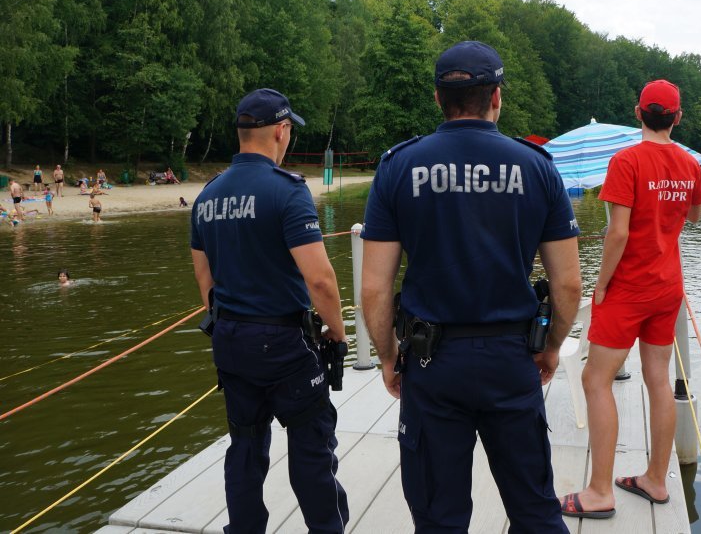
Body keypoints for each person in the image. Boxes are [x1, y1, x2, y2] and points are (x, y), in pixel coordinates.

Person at [361, 40, 582, 533]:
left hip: (430, 363)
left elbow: (374, 291)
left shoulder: (399, 166)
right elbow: (568, 284)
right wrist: (550, 349)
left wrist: (387, 356)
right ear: (496, 97)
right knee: (535, 512)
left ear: (438, 99)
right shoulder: (537, 167)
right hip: (510, 361)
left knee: (440, 519)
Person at [190, 87, 349, 532]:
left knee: (244, 446)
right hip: (283, 344)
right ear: (281, 131)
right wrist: (337, 333)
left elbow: (206, 283)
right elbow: (320, 280)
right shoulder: (287, 192)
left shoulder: (207, 196)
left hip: (230, 340)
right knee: (311, 446)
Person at [560, 79, 701, 518]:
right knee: (658, 379)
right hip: (667, 288)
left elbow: (618, 233)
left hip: (628, 288)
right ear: (677, 118)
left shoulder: (626, 161)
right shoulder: (689, 165)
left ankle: (600, 491)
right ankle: (655, 480)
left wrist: (601, 284)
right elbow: (694, 215)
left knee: (595, 380)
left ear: (639, 113)